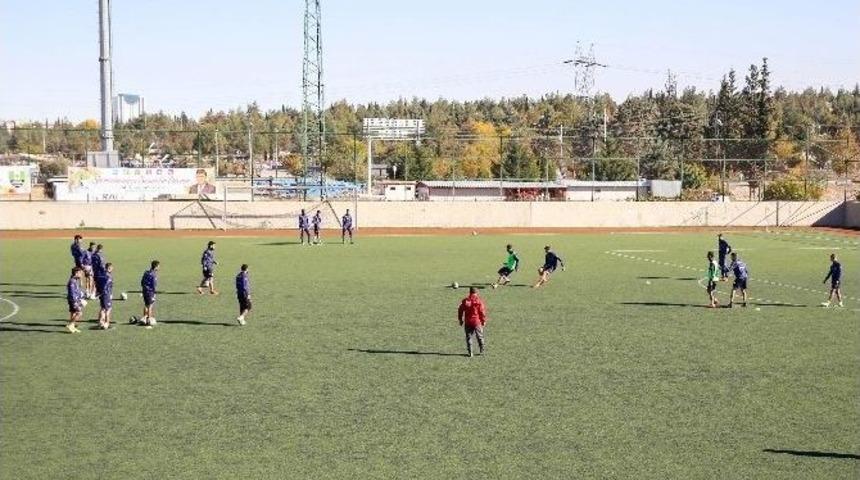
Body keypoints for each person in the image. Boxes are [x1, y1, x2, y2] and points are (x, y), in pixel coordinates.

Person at [457, 287, 487, 357]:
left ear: (469, 292)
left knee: (469, 337)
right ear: (476, 292)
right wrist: (483, 320)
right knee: (480, 336)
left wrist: (460, 320)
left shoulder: (465, 301)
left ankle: (470, 352)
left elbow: (460, 310)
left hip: (468, 322)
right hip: (476, 321)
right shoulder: (479, 301)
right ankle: (482, 349)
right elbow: (482, 311)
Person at [135, 260, 160, 328]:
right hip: (150, 292)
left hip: (144, 291)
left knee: (146, 305)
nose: (159, 268)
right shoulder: (153, 275)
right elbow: (154, 285)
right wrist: (154, 293)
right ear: (156, 266)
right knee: (150, 306)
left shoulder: (146, 272)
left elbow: (142, 282)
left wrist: (144, 288)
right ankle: (149, 320)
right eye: (158, 266)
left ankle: (144, 318)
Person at [65, 267, 84, 334]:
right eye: (80, 273)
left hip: (75, 300)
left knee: (73, 313)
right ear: (76, 273)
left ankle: (72, 327)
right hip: (74, 300)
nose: (81, 275)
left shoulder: (75, 280)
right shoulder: (72, 282)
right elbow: (72, 293)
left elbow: (77, 291)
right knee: (79, 313)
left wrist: (81, 297)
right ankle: (71, 325)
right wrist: (75, 302)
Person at [97, 263, 114, 329]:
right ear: (109, 268)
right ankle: (107, 323)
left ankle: (100, 322)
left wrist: (99, 292)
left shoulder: (100, 274)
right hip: (106, 294)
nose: (112, 269)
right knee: (108, 309)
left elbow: (97, 284)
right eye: (112, 268)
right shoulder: (109, 276)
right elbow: (107, 286)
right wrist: (109, 294)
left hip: (101, 294)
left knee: (102, 308)